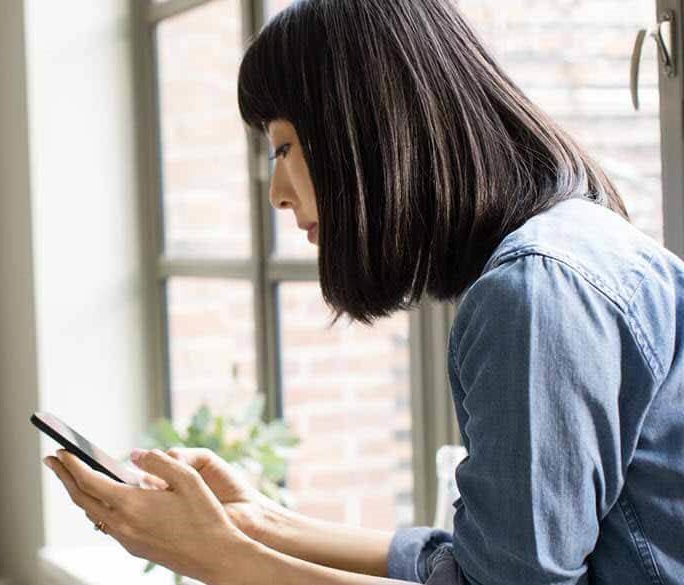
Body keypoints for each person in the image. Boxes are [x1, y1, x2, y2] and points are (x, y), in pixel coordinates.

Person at [43, 0, 684, 583]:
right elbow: (486, 562)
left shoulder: (535, 293)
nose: (278, 193)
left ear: (367, 127)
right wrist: (259, 524)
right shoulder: (564, 255)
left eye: (285, 146)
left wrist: (215, 557)